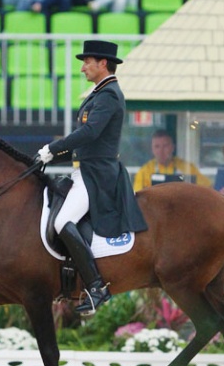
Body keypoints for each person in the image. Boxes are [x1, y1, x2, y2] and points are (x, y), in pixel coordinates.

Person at [36, 40, 147, 314]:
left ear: (103, 64)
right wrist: (50, 157)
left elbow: (90, 134)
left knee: (63, 221)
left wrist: (53, 147)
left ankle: (97, 286)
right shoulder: (99, 93)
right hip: (86, 169)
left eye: (87, 62)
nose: (83, 67)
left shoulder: (109, 95)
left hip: (98, 174)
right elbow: (85, 143)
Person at [133, 130, 212, 192]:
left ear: (173, 147)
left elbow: (208, 187)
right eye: (157, 146)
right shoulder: (144, 172)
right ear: (152, 149)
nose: (161, 150)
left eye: (165, 146)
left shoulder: (187, 168)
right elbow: (138, 197)